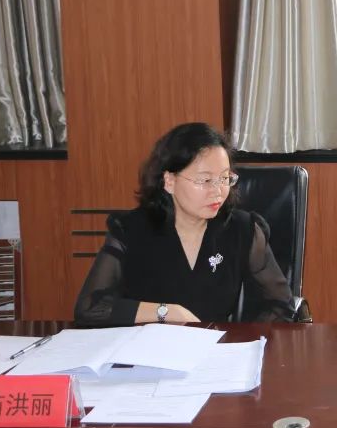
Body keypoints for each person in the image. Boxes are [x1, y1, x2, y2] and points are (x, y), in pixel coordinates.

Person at [75, 122, 295, 325]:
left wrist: (239, 341)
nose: (218, 191)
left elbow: (280, 305)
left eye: (224, 178)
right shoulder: (131, 230)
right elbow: (90, 308)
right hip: (150, 350)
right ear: (169, 181)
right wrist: (165, 312)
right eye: (205, 180)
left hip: (214, 349)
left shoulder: (242, 229)